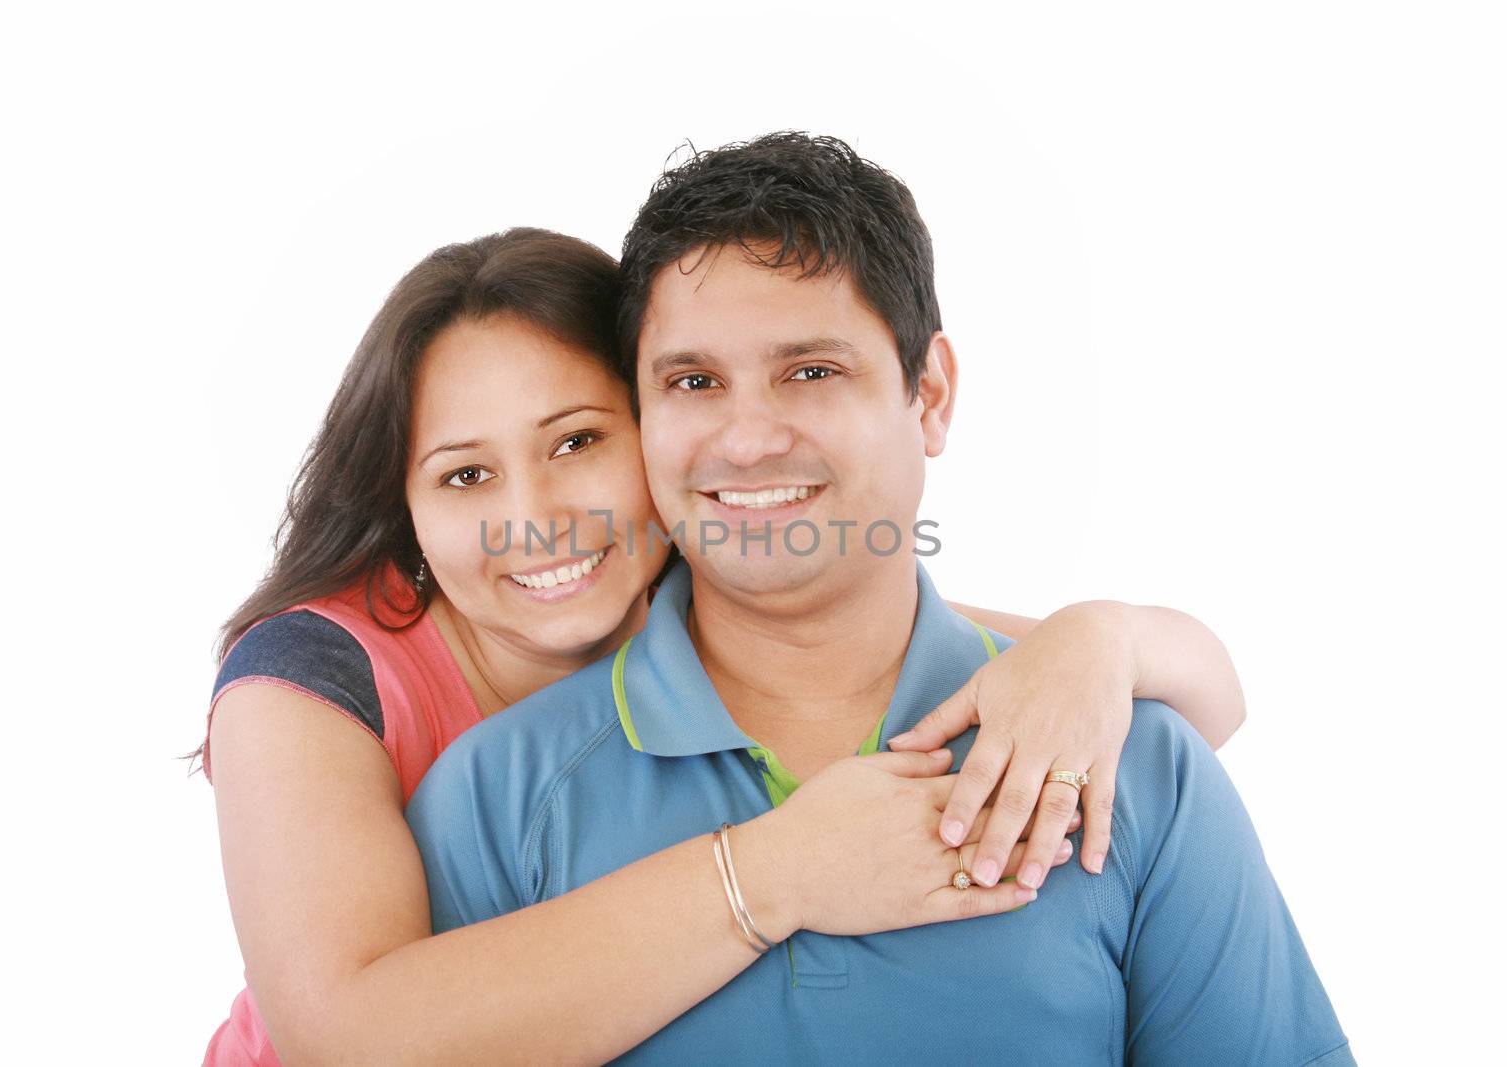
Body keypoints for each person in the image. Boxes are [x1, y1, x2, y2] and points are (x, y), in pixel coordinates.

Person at [407, 134, 1352, 1064]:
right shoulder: (492, 801)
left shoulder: (1136, 765)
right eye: (694, 382)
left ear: (929, 393)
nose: (746, 440)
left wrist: (1102, 635)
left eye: (810, 372)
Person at [204, 227, 1248, 1065]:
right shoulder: (309, 679)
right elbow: (345, 1035)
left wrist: (1095, 638)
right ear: (406, 504)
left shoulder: (691, 573)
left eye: (577, 441)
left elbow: (1201, 692)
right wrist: (782, 868)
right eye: (465, 476)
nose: (539, 518)